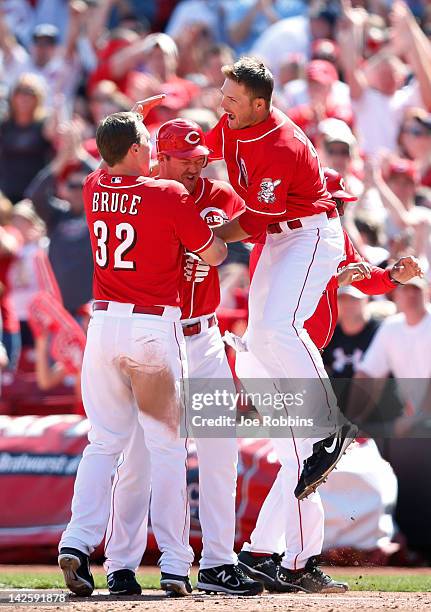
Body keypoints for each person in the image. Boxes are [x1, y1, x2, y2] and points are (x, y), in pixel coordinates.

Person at [58, 108, 227, 597]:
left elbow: (103, 162)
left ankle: (77, 539)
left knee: (104, 444)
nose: (151, 149)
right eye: (145, 143)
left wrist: (129, 119)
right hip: (152, 331)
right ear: (135, 150)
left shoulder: (92, 187)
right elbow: (215, 254)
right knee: (167, 450)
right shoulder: (168, 193)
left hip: (104, 326)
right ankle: (175, 563)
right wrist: (196, 249)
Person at [202, 55, 353, 593]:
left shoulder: (282, 143)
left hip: (308, 233)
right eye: (224, 95)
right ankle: (294, 561)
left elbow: (257, 220)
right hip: (281, 241)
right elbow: (204, 147)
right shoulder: (237, 124)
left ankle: (332, 424)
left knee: (282, 328)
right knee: (265, 336)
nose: (224, 104)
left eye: (233, 99)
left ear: (260, 103)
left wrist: (215, 234)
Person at [235, 168, 421, 591]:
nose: (334, 210)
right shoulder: (276, 234)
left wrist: (391, 275)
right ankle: (296, 563)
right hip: (272, 359)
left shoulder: (330, 235)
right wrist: (333, 279)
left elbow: (364, 275)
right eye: (328, 202)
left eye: (338, 204)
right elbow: (287, 291)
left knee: (300, 462)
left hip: (286, 361)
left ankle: (259, 553)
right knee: (313, 455)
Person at [102, 118, 262, 597]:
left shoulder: (216, 195)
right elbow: (107, 168)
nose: (195, 167)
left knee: (220, 452)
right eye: (185, 159)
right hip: (156, 338)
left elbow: (260, 224)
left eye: (200, 159)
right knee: (138, 456)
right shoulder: (143, 192)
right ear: (159, 158)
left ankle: (218, 561)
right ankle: (121, 562)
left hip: (205, 335)